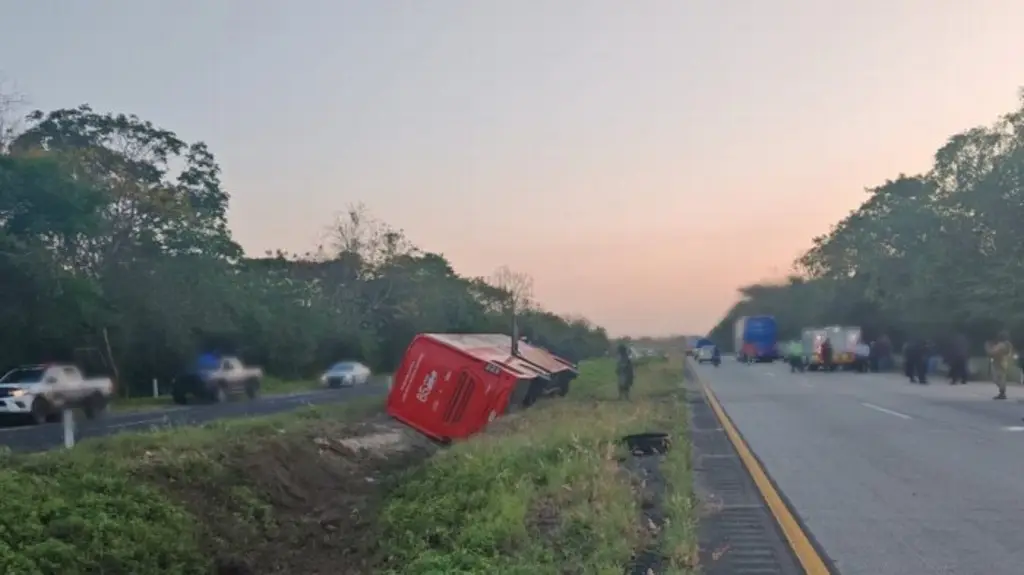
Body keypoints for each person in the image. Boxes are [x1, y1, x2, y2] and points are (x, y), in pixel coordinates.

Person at [985, 331, 1013, 400]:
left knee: (997, 378)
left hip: (998, 362)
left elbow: (992, 352)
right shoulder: (1008, 344)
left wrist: (987, 347)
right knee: (1002, 378)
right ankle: (1002, 392)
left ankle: (1002, 392)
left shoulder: (1001, 345)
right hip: (1004, 362)